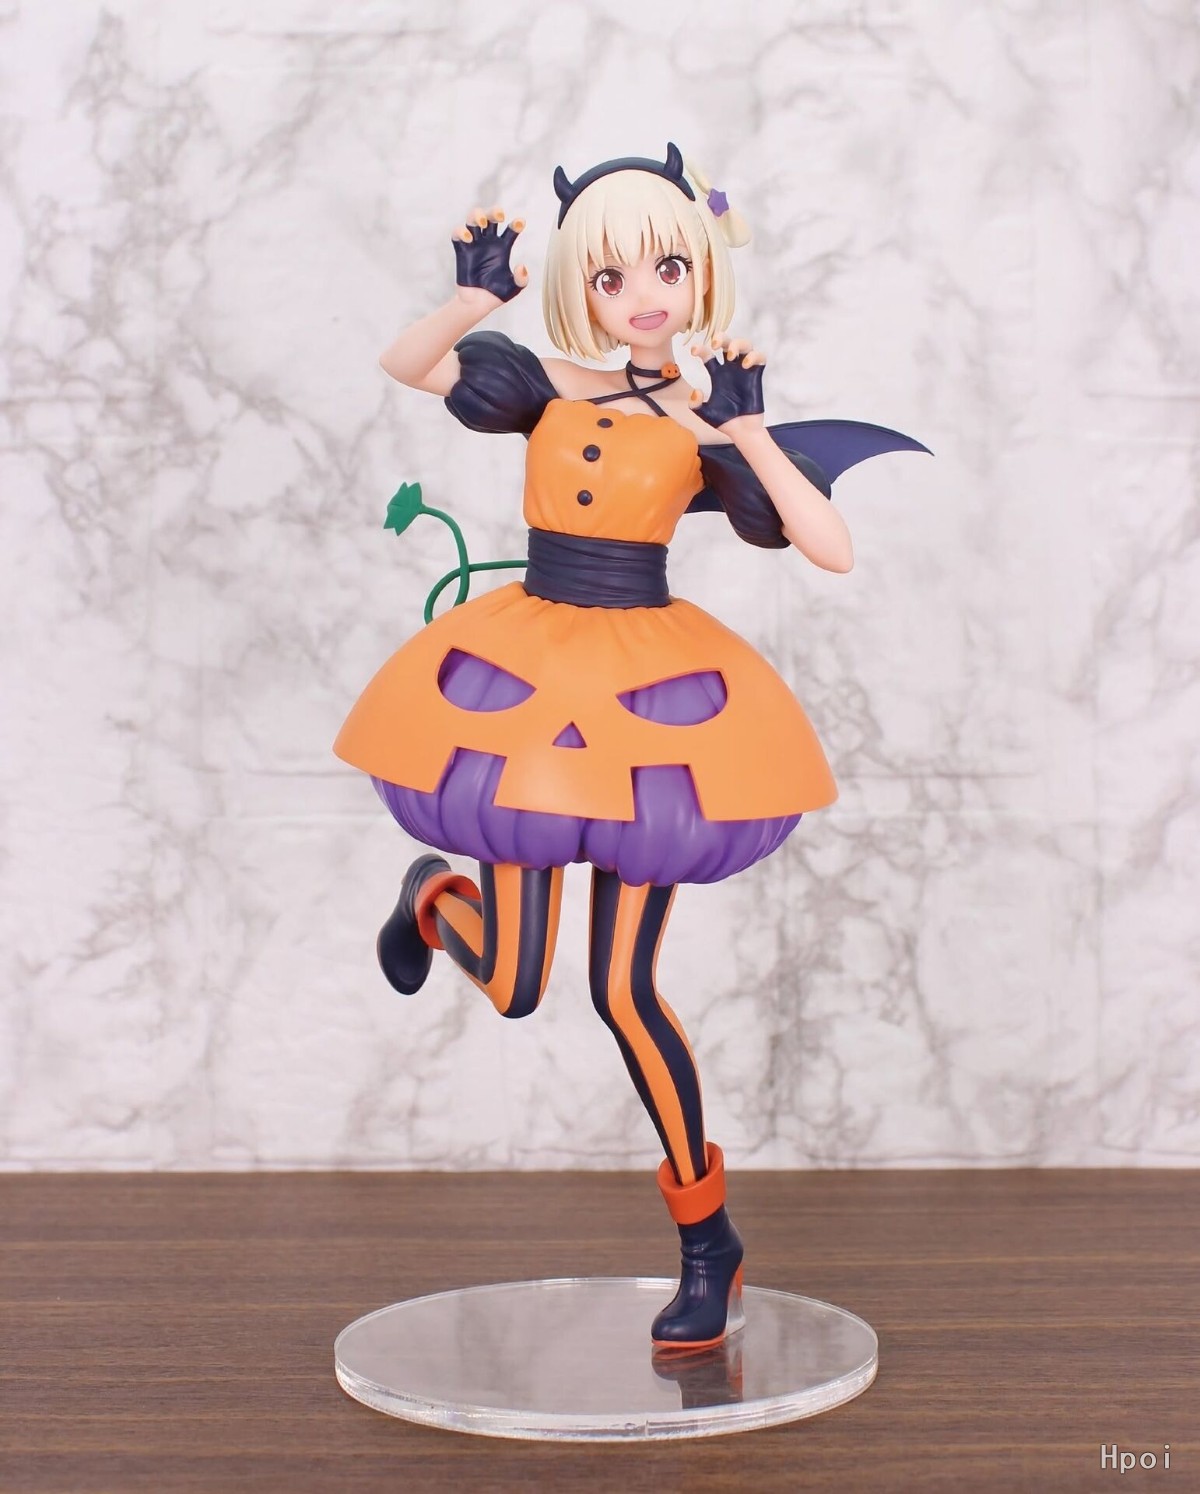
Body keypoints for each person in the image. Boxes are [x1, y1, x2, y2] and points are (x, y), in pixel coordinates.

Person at [335, 143, 915, 1350]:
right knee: (515, 986)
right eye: (610, 277)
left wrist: (750, 432)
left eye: (665, 267)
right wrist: (472, 299)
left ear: (700, 268)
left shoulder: (710, 419)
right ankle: (436, 899)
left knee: (624, 992)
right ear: (579, 291)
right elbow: (407, 365)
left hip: (647, 701)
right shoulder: (548, 383)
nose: (643, 296)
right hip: (524, 679)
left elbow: (831, 547)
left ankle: (709, 1242)